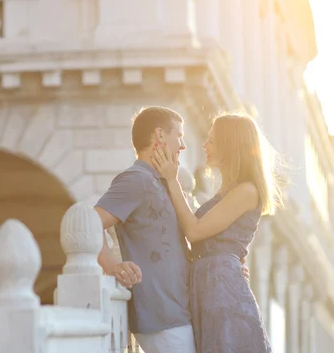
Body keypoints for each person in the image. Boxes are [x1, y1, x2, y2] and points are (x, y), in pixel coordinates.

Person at [94, 106, 249, 353]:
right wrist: (111, 266)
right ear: (159, 136)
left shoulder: (165, 183)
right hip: (161, 317)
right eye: (179, 135)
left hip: (181, 313)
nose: (183, 145)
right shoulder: (136, 180)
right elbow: (89, 222)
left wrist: (222, 264)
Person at [152, 112, 277, 353]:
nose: (204, 145)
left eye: (212, 140)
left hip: (222, 294)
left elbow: (194, 231)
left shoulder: (247, 191)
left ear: (229, 146)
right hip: (210, 288)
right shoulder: (226, 192)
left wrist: (172, 180)